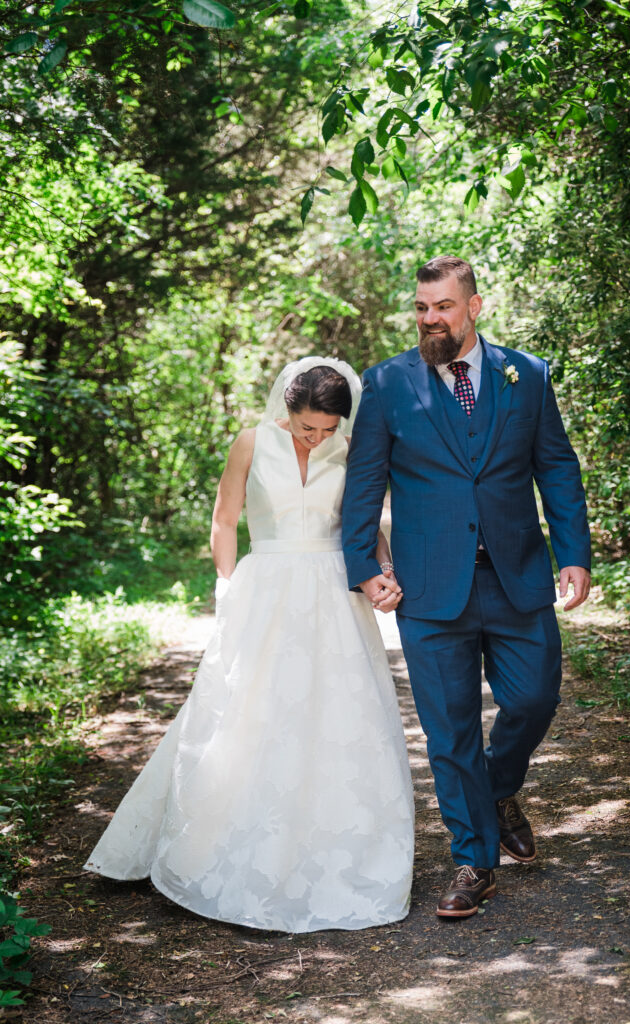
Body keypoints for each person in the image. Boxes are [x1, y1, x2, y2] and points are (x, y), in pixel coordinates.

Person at [85, 357, 414, 933]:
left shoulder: (354, 447)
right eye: (307, 427)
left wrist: (384, 568)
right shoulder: (250, 442)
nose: (317, 438)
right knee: (247, 710)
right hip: (267, 588)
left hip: (335, 593)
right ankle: (224, 843)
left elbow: (366, 524)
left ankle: (337, 850)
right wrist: (227, 586)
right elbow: (225, 518)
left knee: (337, 715)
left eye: (327, 429)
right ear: (286, 411)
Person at [342, 256, 591, 919]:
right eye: (421, 308)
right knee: (448, 732)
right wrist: (366, 565)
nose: (430, 319)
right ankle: (472, 860)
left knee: (534, 698)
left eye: (443, 307)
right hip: (428, 588)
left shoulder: (526, 374)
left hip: (517, 575)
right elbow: (364, 483)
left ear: (473, 307)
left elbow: (555, 467)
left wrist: (574, 553)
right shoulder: (388, 383)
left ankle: (499, 784)